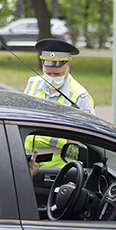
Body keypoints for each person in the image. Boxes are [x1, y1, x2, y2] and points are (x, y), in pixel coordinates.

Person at [24, 38, 94, 173]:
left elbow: (86, 139)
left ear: (68, 67)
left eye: (58, 74)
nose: (52, 77)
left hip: (59, 171)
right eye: (48, 73)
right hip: (27, 165)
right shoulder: (32, 84)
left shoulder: (80, 97)